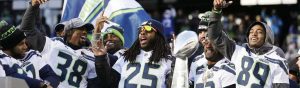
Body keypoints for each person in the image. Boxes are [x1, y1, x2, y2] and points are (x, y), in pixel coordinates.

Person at [206, 0, 289, 87]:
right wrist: (216, 10)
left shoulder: (278, 60)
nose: (254, 33)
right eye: (251, 31)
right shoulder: (238, 51)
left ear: (267, 36)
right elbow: (214, 36)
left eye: (259, 31)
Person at [18, 0, 98, 88]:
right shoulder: (52, 44)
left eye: (86, 30)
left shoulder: (91, 54)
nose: (85, 32)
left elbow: (101, 81)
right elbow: (27, 30)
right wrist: (33, 7)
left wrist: (101, 56)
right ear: (69, 32)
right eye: (81, 29)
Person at [94, 19, 174, 88]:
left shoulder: (169, 61)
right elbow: (109, 82)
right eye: (141, 30)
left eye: (148, 29)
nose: (142, 32)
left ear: (158, 35)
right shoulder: (126, 56)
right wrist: (100, 58)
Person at [0, 19, 59, 88]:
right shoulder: (2, 59)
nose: (25, 47)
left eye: (25, 42)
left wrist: (46, 85)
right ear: (10, 46)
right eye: (21, 44)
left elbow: (52, 76)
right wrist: (41, 85)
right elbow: (12, 77)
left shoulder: (32, 54)